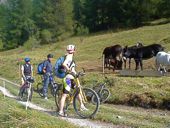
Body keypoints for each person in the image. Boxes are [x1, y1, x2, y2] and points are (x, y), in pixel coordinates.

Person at [58, 44, 88, 117]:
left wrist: (76, 73)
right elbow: (64, 64)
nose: (70, 51)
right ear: (74, 50)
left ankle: (81, 105)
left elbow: (72, 68)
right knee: (64, 95)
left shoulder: (69, 56)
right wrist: (69, 70)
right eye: (70, 50)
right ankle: (60, 111)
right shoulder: (69, 56)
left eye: (70, 50)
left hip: (72, 78)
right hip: (67, 78)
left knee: (77, 91)